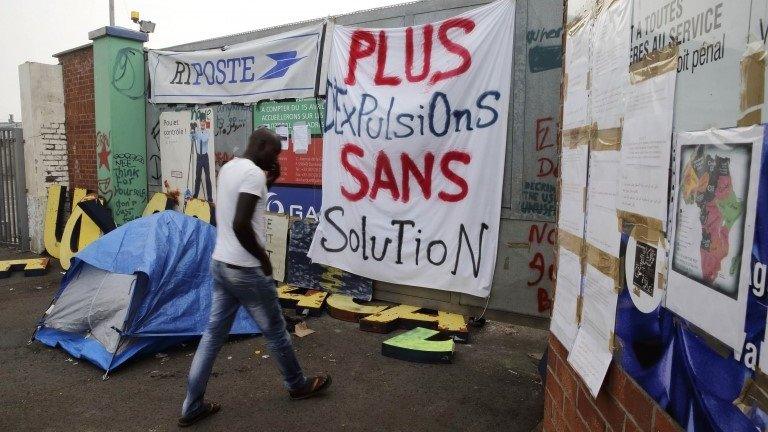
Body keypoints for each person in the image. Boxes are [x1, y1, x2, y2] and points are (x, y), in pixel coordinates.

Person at [178, 128, 331, 428]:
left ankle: (191, 406)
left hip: (221, 264)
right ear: (260, 145)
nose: (276, 158)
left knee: (211, 337)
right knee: (275, 332)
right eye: (273, 152)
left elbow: (243, 203)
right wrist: (263, 259)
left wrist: (269, 176)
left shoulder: (230, 168)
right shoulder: (252, 175)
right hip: (246, 270)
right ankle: (297, 384)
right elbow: (240, 223)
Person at [192, 113, 213, 201]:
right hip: (199, 157)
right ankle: (195, 195)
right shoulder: (197, 132)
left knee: (207, 177)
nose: (202, 123)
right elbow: (192, 138)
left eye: (203, 122)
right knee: (198, 177)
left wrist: (198, 132)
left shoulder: (207, 132)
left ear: (205, 122)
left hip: (204, 156)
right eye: (201, 122)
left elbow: (204, 140)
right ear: (199, 122)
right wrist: (192, 131)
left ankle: (210, 197)